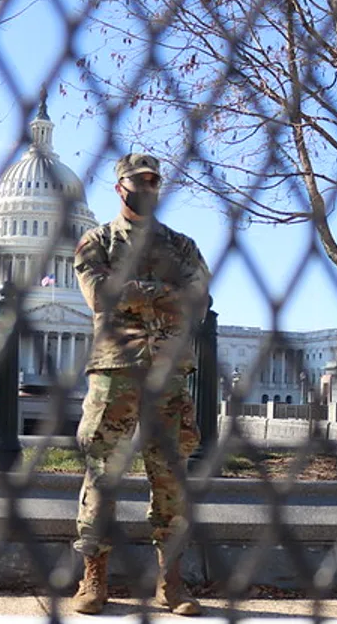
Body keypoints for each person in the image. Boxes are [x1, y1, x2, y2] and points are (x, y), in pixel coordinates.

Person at [70, 153, 211, 616]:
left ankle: (171, 582)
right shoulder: (97, 241)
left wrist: (133, 292)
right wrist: (162, 295)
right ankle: (94, 578)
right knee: (101, 474)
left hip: (168, 376)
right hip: (115, 372)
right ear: (120, 187)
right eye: (139, 181)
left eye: (154, 181)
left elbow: (200, 300)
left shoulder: (182, 246)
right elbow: (99, 294)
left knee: (170, 478)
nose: (147, 188)